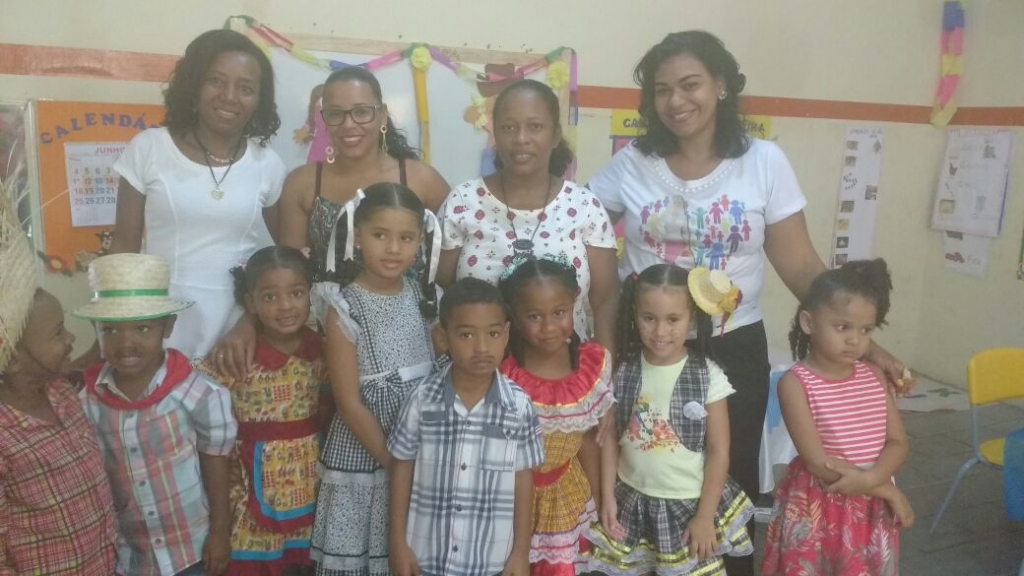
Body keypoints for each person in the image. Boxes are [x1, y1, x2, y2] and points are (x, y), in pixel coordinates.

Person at [586, 31, 909, 574]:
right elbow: (578, 226)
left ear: (720, 85)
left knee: (727, 470)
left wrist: (865, 343)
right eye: (662, 89)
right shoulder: (632, 164)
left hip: (732, 348)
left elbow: (801, 264)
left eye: (690, 84)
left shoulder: (764, 161)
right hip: (647, 346)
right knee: (643, 468)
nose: (676, 100)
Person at [215, 65, 450, 378]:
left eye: (362, 112)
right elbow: (287, 276)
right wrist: (249, 320)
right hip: (326, 351)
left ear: (382, 115)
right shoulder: (302, 184)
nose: (348, 124)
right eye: (336, 113)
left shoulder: (420, 179)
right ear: (323, 118)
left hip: (412, 347)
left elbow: (451, 266)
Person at [109, 28, 286, 362]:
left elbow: (285, 261)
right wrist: (119, 331)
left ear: (258, 99)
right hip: (160, 326)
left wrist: (251, 321)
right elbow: (123, 250)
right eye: (216, 81)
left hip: (236, 339)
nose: (230, 97)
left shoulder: (268, 164)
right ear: (194, 84)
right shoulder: (149, 148)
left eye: (246, 88)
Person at [583, 264, 754, 576]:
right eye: (649, 318)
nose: (660, 332)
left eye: (673, 319)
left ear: (692, 319)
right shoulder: (622, 371)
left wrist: (705, 517)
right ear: (634, 315)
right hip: (631, 502)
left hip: (687, 507)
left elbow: (719, 451)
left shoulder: (708, 376)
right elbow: (611, 440)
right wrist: (607, 497)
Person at [75, 253, 237, 576]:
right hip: (129, 554)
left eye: (143, 328)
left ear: (168, 326)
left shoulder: (197, 393)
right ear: (96, 329)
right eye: (110, 330)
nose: (126, 343)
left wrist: (220, 534)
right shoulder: (87, 402)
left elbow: (216, 463)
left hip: (191, 549)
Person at [309, 183, 440, 576]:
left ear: (420, 242)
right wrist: (397, 466)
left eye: (406, 238)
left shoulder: (425, 297)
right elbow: (349, 403)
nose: (393, 248)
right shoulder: (343, 305)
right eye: (380, 235)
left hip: (421, 454)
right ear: (358, 236)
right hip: (371, 454)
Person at [437, 79, 619, 348]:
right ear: (495, 134)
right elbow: (440, 289)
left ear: (555, 135)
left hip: (566, 366)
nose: (521, 139)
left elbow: (605, 300)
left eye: (535, 127)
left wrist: (605, 364)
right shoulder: (463, 201)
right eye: (508, 127)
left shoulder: (584, 206)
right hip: (482, 365)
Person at [761, 259, 913, 576]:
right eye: (842, 327)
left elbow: (897, 442)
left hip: (869, 506)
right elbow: (818, 463)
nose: (855, 339)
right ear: (808, 322)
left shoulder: (874, 376)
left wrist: (871, 481)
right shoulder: (796, 383)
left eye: (865, 330)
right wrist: (886, 490)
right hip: (820, 503)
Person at [388, 278, 546, 576]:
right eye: (466, 335)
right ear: (443, 337)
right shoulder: (422, 400)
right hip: (427, 558)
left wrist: (520, 553)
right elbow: (401, 468)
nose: (482, 347)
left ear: (506, 335)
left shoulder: (519, 406)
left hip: (490, 562)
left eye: (493, 333)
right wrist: (397, 542)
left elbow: (523, 480)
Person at [0, 188, 117, 575]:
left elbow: (89, 363)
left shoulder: (60, 390)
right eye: (56, 334)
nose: (69, 339)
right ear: (12, 360)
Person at [198, 246, 327, 576]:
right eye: (270, 297)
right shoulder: (236, 355)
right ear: (251, 303)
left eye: (296, 293)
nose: (285, 306)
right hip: (248, 491)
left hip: (310, 487)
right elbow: (201, 419)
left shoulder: (323, 351)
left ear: (310, 293)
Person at [496, 257, 614, 576]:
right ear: (514, 315)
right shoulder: (503, 374)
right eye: (534, 316)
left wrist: (599, 498)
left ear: (573, 303)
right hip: (509, 500)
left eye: (559, 313)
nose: (548, 327)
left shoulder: (590, 366)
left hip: (566, 494)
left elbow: (588, 441)